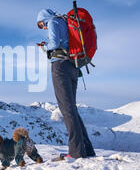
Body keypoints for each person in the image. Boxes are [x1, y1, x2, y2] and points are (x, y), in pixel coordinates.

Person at [37, 9, 96, 159]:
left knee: (66, 108)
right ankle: (87, 149)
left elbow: (55, 42)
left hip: (60, 66)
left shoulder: (52, 21)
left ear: (43, 18)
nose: (43, 27)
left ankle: (76, 152)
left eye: (40, 24)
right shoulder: (65, 22)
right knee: (72, 108)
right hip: (72, 66)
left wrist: (44, 47)